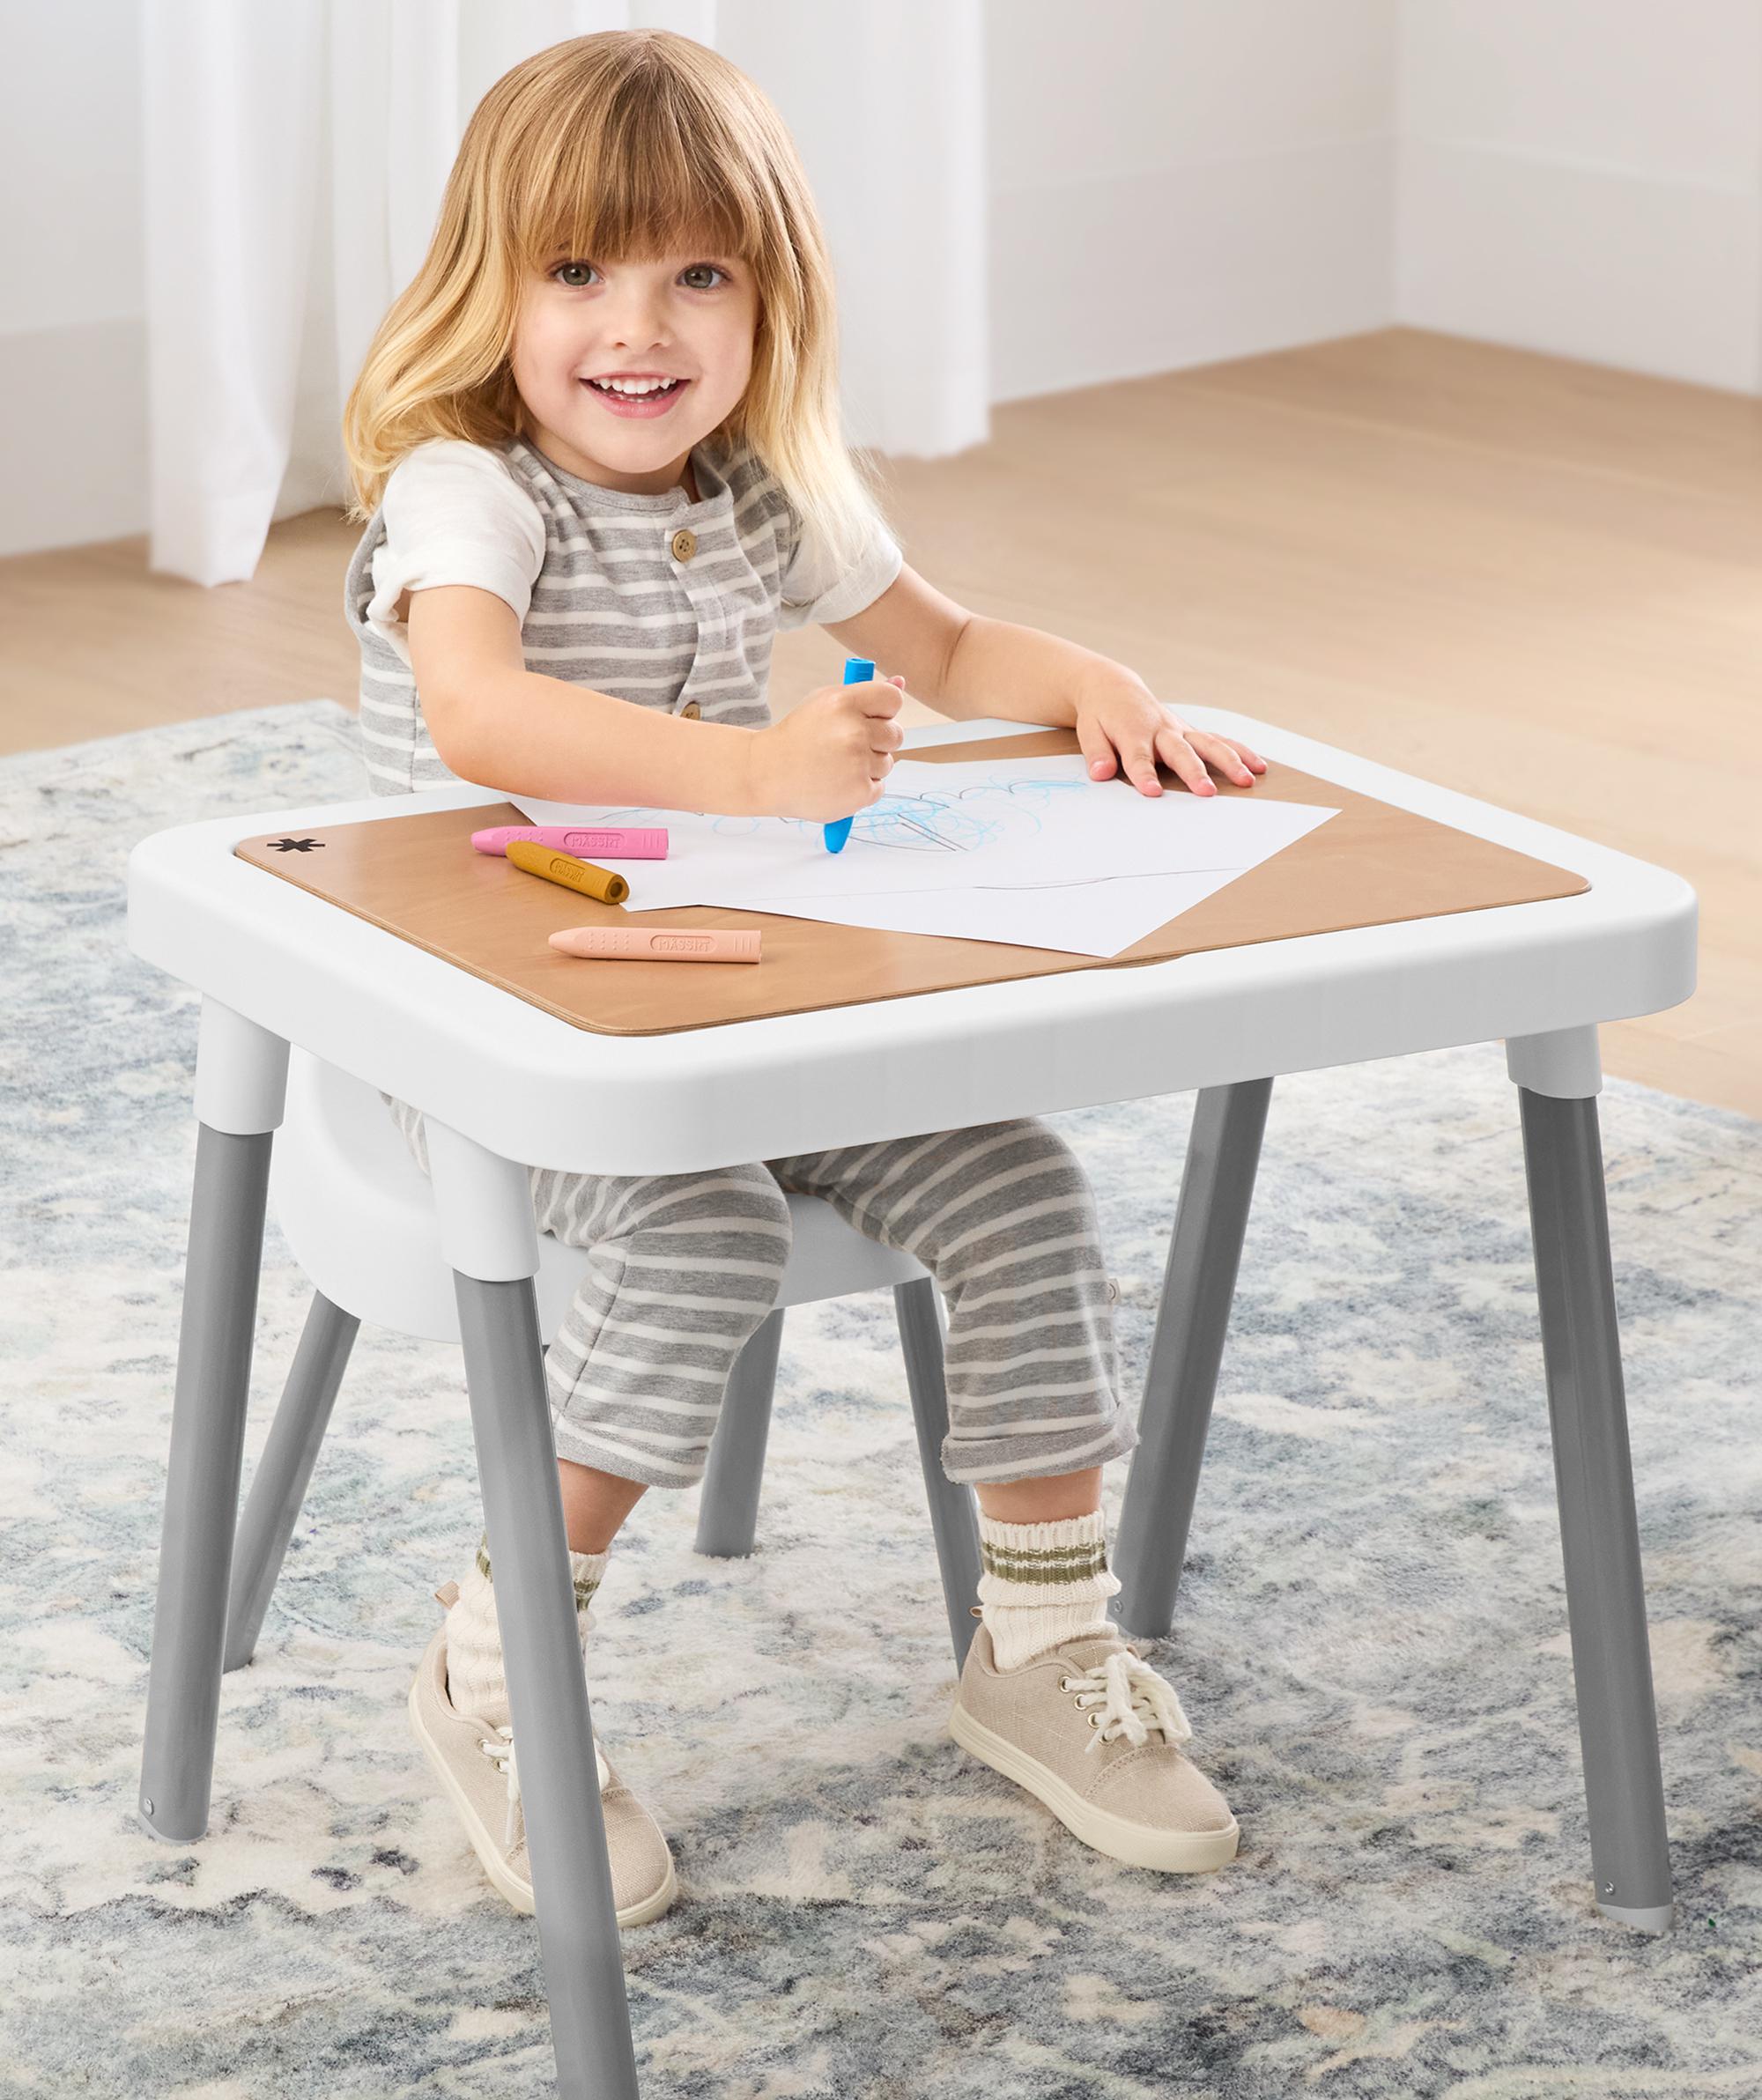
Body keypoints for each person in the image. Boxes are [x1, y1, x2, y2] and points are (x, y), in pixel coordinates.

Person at [339, 28, 1263, 1927]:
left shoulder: (756, 488)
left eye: (699, 272)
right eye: (577, 270)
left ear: (767, 298)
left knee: (1017, 1180)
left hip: (716, 1006)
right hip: (467, 1038)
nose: (638, 325)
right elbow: (473, 706)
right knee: (702, 1241)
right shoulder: (466, 494)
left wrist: (1088, 681)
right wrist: (754, 773)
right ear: (489, 288)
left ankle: (1036, 1640)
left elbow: (941, 638)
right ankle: (500, 1663)